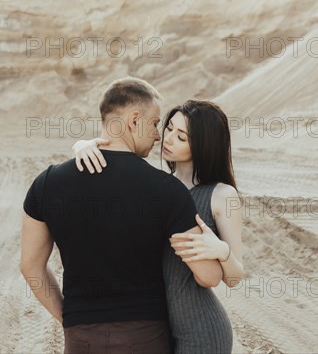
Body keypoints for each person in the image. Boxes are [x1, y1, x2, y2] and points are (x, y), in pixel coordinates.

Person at [20, 78, 223, 354]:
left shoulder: (46, 183)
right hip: (144, 337)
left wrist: (70, 318)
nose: (156, 136)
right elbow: (209, 275)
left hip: (81, 337)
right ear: (134, 120)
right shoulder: (165, 189)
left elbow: (30, 266)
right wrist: (218, 249)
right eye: (154, 124)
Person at [73, 99, 245, 354]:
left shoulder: (221, 195)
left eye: (182, 136)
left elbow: (234, 278)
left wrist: (221, 251)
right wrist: (83, 146)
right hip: (154, 332)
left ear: (204, 144)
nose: (169, 138)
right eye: (169, 128)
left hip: (202, 333)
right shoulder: (158, 185)